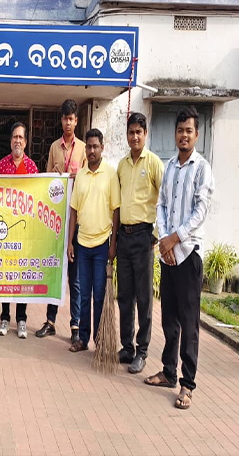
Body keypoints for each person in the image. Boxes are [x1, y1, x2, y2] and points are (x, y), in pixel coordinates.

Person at [145, 106, 214, 410]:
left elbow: (200, 211)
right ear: (174, 134)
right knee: (169, 318)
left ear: (196, 134)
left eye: (189, 131)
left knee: (189, 322)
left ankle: (187, 384)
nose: (184, 135)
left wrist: (175, 238)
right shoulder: (170, 166)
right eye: (180, 130)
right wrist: (164, 240)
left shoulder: (202, 169)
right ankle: (169, 372)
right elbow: (161, 204)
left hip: (188, 254)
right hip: (168, 253)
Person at [117, 112, 164, 374]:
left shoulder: (154, 163)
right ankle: (127, 347)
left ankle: (142, 351)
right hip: (124, 237)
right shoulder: (122, 165)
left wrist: (157, 233)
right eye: (131, 132)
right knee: (124, 296)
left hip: (144, 237)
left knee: (144, 297)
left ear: (145, 134)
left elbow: (165, 198)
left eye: (139, 132)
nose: (134, 136)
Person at [36, 99, 85, 343]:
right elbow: (47, 182)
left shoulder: (83, 149)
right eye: (65, 118)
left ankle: (75, 325)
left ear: (76, 121)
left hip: (77, 220)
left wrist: (76, 177)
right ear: (61, 120)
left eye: (71, 119)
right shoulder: (54, 147)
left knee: (74, 277)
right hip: (56, 219)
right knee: (54, 271)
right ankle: (51, 321)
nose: (68, 122)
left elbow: (87, 182)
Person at [68, 129, 120, 353]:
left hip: (101, 245)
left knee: (99, 295)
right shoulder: (80, 175)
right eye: (88, 147)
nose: (91, 150)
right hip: (82, 243)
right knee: (83, 295)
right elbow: (73, 210)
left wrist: (113, 244)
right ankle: (83, 338)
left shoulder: (110, 174)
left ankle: (100, 340)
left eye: (95, 146)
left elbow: (116, 211)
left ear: (102, 148)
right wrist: (70, 242)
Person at [0, 122, 39, 339]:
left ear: (26, 141)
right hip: (6, 231)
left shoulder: (32, 168)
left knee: (22, 276)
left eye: (21, 137)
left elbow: (38, 196)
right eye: (15, 137)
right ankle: (5, 317)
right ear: (10, 140)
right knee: (6, 274)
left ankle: (21, 319)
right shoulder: (2, 165)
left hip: (24, 231)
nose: (18, 141)